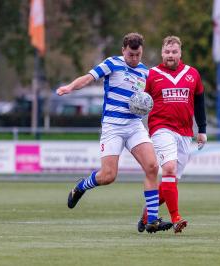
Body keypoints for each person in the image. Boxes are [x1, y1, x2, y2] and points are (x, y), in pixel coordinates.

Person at [56, 32, 173, 233]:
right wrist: (69, 87)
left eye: (137, 55)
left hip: (134, 126)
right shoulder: (112, 63)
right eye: (130, 55)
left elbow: (154, 99)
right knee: (108, 176)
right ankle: (81, 186)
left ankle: (151, 220)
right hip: (113, 127)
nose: (134, 59)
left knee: (152, 166)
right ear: (123, 51)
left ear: (141, 51)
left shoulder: (146, 73)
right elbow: (88, 78)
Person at [137, 36, 207, 233]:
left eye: (174, 52)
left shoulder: (192, 74)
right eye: (167, 52)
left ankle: (147, 215)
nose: (170, 55)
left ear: (180, 53)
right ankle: (176, 218)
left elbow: (200, 101)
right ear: (162, 53)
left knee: (171, 181)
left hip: (185, 133)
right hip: (161, 129)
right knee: (168, 168)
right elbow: (140, 100)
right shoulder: (152, 75)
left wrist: (202, 129)